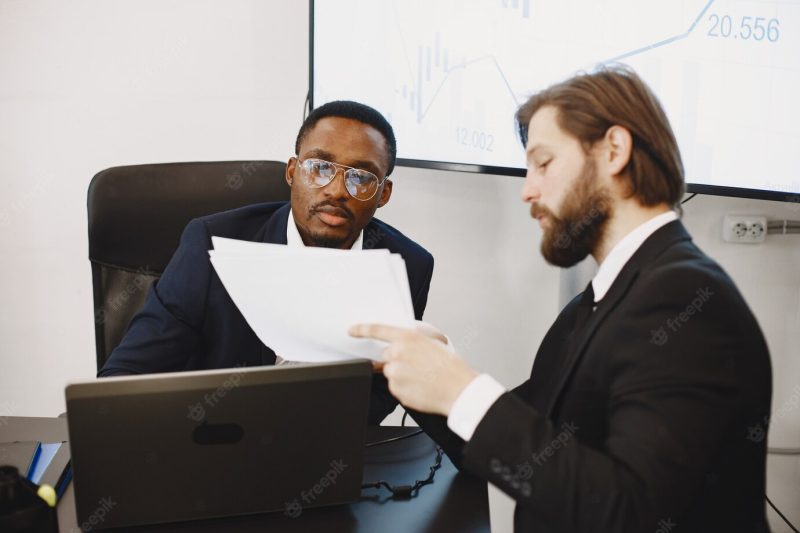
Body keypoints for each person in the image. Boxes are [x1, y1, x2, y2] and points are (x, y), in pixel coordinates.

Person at [351, 67, 772, 532]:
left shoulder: (685, 301)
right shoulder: (594, 305)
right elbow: (502, 448)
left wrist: (463, 390)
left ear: (614, 150)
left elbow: (634, 514)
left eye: (544, 162)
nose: (527, 189)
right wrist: (423, 369)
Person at [99, 100, 435, 425]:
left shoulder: (407, 265)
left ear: (384, 193)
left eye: (361, 177)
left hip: (329, 444)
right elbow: (126, 377)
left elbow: (384, 388)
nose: (336, 191)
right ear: (292, 172)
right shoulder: (209, 244)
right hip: (219, 439)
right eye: (319, 168)